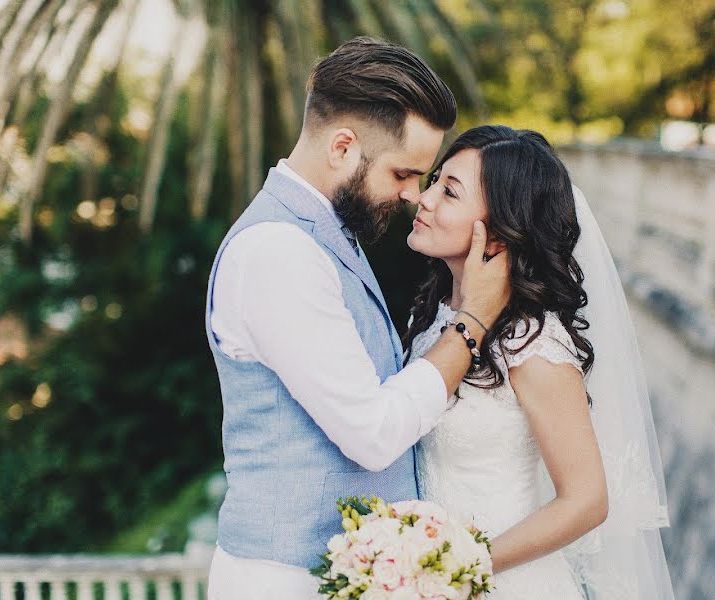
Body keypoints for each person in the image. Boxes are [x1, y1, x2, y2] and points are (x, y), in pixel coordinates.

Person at [203, 40, 510, 599]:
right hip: (287, 580)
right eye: (403, 173)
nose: (415, 195)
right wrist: (473, 321)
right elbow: (372, 434)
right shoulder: (279, 250)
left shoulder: (325, 228)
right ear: (343, 146)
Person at [405, 125, 675, 599]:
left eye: (449, 192)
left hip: (502, 582)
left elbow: (587, 501)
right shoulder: (431, 314)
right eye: (434, 182)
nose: (424, 199)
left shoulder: (531, 341)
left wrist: (465, 566)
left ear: (499, 233)